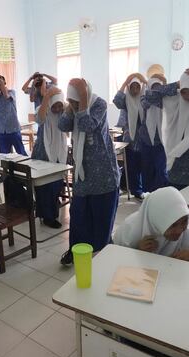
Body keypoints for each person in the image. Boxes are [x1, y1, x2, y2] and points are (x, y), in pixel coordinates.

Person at [58, 78, 120, 265]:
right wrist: (71, 107)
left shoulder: (99, 104)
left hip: (103, 172)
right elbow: (62, 126)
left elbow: (87, 125)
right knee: (79, 215)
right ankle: (76, 249)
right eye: (73, 100)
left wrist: (83, 97)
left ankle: (102, 250)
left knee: (101, 215)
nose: (75, 105)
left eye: (76, 100)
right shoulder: (73, 109)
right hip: (83, 173)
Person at [113, 187, 189, 267]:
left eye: (184, 222)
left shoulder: (186, 228)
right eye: (173, 225)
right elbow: (114, 265)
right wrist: (137, 252)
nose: (180, 231)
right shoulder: (130, 229)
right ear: (157, 221)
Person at [31, 85, 68, 228]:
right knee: (44, 187)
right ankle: (48, 217)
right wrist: (46, 96)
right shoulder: (42, 110)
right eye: (55, 106)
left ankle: (51, 211)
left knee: (56, 184)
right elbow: (40, 120)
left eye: (60, 106)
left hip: (59, 152)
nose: (58, 109)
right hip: (43, 153)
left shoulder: (63, 113)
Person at [114, 73, 148, 199]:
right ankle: (136, 191)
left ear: (141, 88)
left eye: (137, 87)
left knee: (144, 166)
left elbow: (156, 94)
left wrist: (145, 81)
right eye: (132, 87)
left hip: (145, 140)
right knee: (132, 167)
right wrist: (124, 82)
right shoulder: (126, 101)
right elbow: (116, 100)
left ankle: (145, 189)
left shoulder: (145, 99)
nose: (134, 90)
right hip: (130, 140)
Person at [0, 75, 27, 155]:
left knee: (21, 153)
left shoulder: (11, 92)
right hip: (2, 131)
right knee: (3, 155)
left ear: (4, 83)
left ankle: (26, 167)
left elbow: (6, 96)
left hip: (13, 129)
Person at [140, 74, 169, 191]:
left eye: (159, 87)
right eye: (153, 87)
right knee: (147, 169)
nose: (156, 90)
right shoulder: (144, 98)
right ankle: (149, 194)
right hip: (146, 140)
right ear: (149, 87)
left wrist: (164, 89)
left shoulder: (166, 99)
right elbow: (146, 103)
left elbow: (161, 103)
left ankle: (161, 194)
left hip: (162, 141)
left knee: (161, 170)